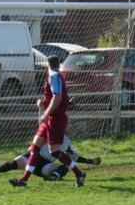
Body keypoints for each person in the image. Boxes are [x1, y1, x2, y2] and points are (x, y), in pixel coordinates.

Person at [9, 55, 87, 187]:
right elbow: (56, 97)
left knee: (55, 151)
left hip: (55, 119)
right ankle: (23, 180)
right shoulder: (58, 76)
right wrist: (43, 102)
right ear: (58, 64)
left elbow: (57, 97)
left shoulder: (54, 76)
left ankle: (79, 174)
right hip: (50, 119)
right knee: (35, 148)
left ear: (47, 65)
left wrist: (46, 113)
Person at [0, 135, 101, 182]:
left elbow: (74, 156)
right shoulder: (46, 131)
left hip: (45, 165)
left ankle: (53, 177)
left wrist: (90, 161)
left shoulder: (66, 141)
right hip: (33, 157)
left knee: (63, 167)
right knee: (13, 163)